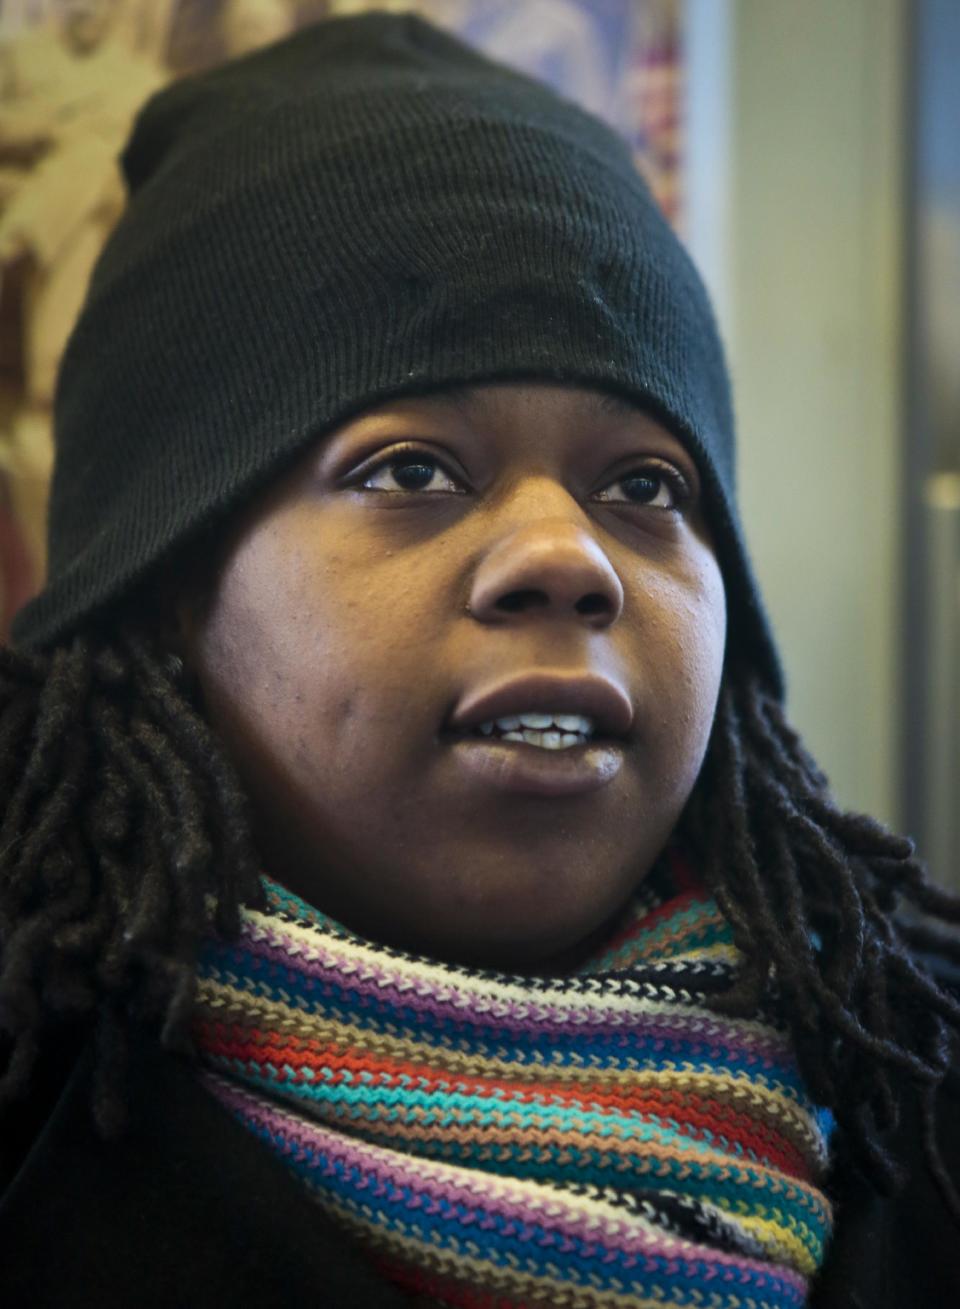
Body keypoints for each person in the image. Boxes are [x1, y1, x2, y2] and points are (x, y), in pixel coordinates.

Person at [0, 13, 957, 1308]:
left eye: (643, 483)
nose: (569, 557)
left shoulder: (916, 1090)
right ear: (163, 588)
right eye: (412, 472)